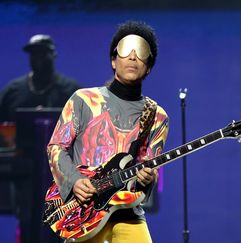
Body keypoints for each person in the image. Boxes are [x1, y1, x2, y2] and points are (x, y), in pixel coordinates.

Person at [46, 21, 169, 243]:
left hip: (128, 214)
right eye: (125, 50)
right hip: (85, 212)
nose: (132, 57)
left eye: (140, 52)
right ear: (114, 60)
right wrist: (74, 180)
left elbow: (148, 167)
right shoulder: (83, 100)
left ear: (149, 66)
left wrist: (147, 179)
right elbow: (56, 147)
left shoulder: (158, 116)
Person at [0, 34, 80, 243]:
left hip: (60, 176)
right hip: (24, 174)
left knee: (58, 225)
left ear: (53, 55)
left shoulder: (70, 91)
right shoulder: (13, 91)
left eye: (43, 54)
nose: (38, 59)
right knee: (27, 224)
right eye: (34, 55)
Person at [0, 34, 80, 122]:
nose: (38, 57)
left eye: (43, 52)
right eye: (34, 53)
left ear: (54, 55)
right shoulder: (12, 91)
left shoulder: (72, 91)